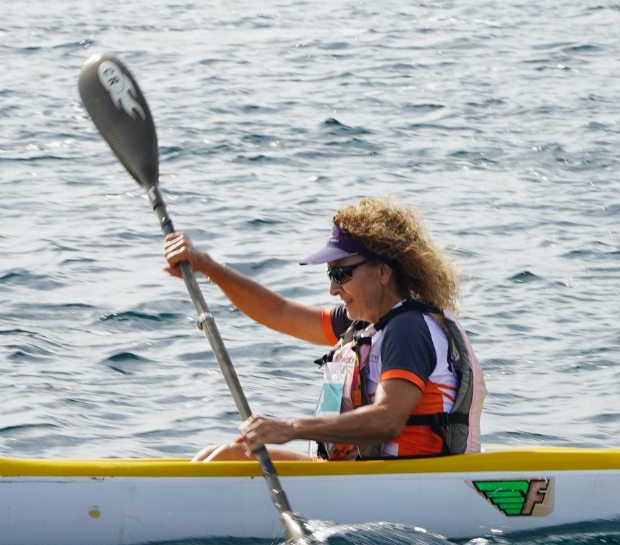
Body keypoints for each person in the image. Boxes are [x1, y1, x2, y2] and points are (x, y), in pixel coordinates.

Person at [179, 197, 485, 463]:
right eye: (330, 275)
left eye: (341, 274)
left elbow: (389, 419)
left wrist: (290, 428)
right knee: (220, 456)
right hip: (357, 475)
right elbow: (277, 312)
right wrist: (206, 266)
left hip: (405, 480)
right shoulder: (363, 326)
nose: (333, 289)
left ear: (383, 271)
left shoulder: (409, 329)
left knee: (228, 458)